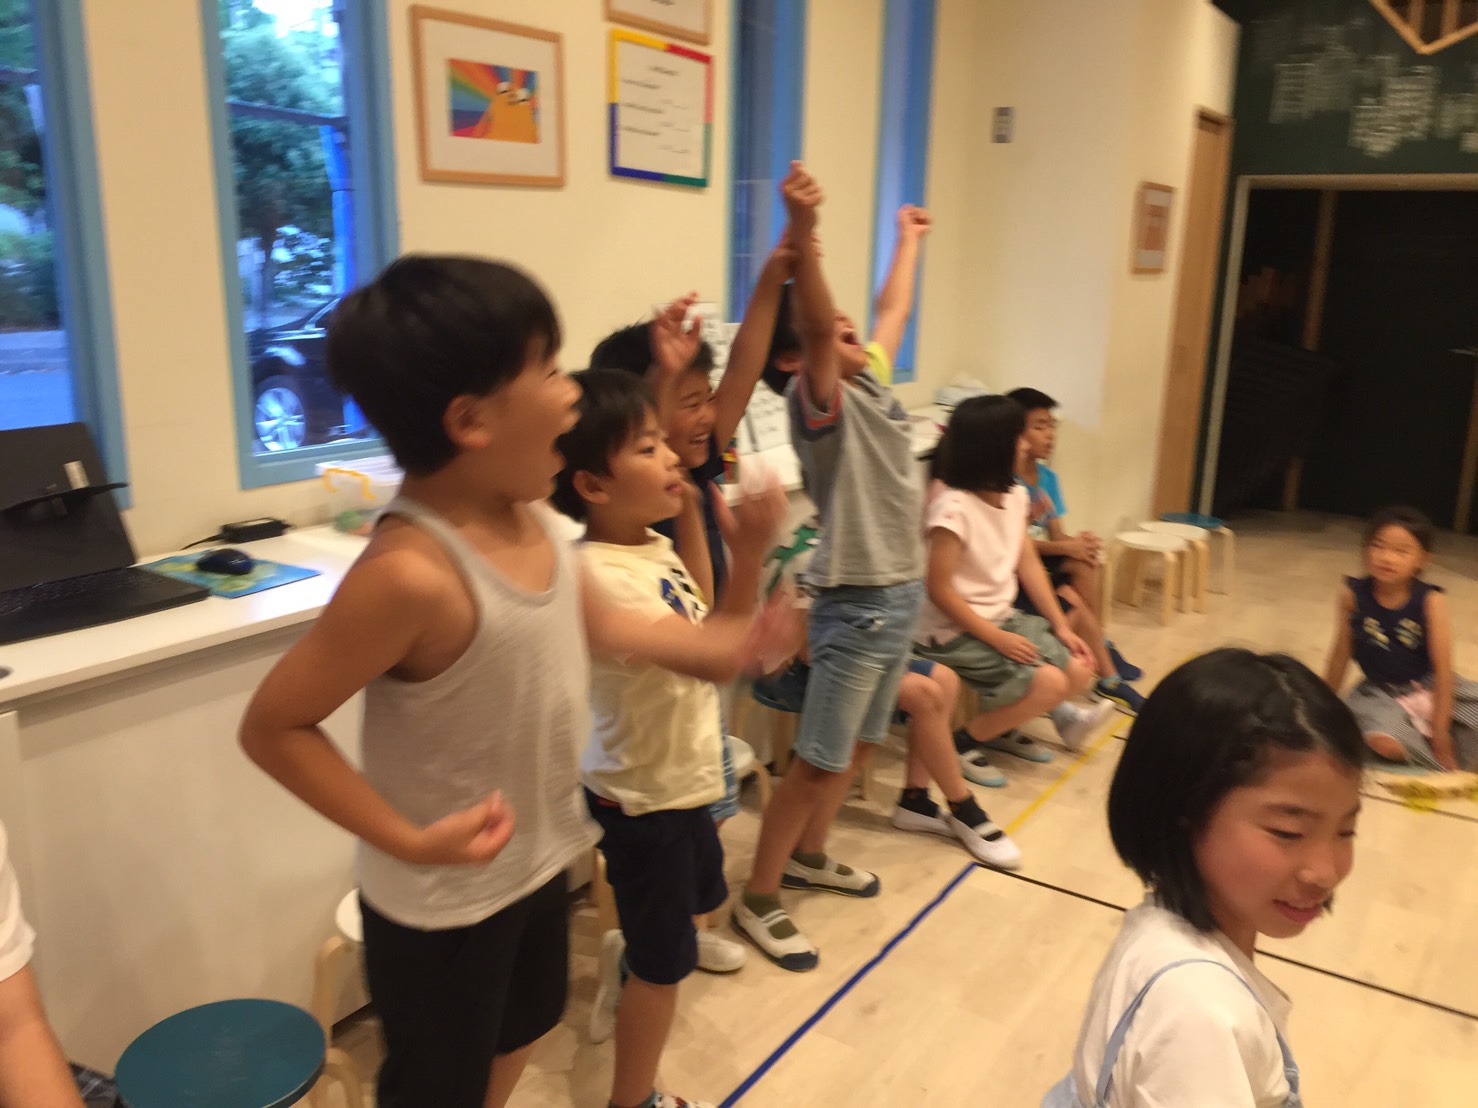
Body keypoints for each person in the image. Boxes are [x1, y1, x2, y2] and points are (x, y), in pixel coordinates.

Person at [240, 256, 783, 1108]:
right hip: (442, 906)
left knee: (523, 1028)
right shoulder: (411, 574)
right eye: (550, 370)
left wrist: (741, 625)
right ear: (470, 421)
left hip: (535, 865)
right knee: (437, 1087)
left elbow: (645, 634)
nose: (570, 397)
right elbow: (273, 726)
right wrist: (407, 839)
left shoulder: (534, 524)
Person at [550, 368, 786, 1108]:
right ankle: (634, 1100)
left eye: (665, 443)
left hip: (683, 781)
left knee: (692, 910)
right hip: (643, 800)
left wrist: (730, 555)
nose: (671, 458)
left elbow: (708, 620)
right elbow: (716, 654)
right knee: (665, 972)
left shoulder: (647, 544)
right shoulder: (597, 573)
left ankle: (631, 949)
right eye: (648, 448)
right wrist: (753, 559)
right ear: (593, 485)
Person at [732, 167, 931, 972]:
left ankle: (811, 856)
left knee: (855, 753)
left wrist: (907, 241)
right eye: (834, 331)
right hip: (858, 604)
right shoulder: (820, 405)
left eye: (852, 330)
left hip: (901, 596)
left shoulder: (870, 382)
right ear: (798, 361)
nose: (853, 332)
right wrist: (805, 237)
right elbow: (820, 328)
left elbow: (893, 311)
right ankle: (760, 895)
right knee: (817, 762)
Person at [1044, 649, 1364, 1107]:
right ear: (1186, 811)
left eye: (1346, 831)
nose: (1326, 872)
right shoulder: (1200, 1016)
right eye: (1288, 832)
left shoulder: (1162, 925)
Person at [914, 395, 1110, 784]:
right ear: (993, 448)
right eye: (1019, 437)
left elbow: (1028, 563)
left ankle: (998, 729)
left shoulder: (1015, 495)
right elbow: (939, 590)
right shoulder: (953, 508)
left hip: (1000, 617)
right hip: (950, 630)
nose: (1026, 445)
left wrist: (1062, 626)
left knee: (1077, 669)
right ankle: (961, 742)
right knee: (1050, 682)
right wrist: (997, 638)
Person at [1006, 386, 1143, 714]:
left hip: (1039, 561)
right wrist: (1066, 546)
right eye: (1039, 426)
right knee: (1073, 594)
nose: (1050, 435)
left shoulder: (1047, 478)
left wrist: (1078, 545)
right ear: (1016, 434)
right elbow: (1014, 544)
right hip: (1015, 569)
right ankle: (1106, 669)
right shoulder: (1005, 483)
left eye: (1051, 426)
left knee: (1083, 561)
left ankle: (1103, 648)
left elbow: (1056, 534)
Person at [1323, 504, 1478, 771]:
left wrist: (1440, 732)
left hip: (1429, 685)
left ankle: (1442, 747)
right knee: (1383, 742)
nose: (1387, 558)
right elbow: (1340, 656)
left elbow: (1443, 671)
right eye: (1378, 546)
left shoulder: (1431, 600)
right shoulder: (1353, 596)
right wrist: (1320, 706)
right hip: (1380, 692)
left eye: (1401, 551)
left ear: (1422, 559)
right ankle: (1436, 762)